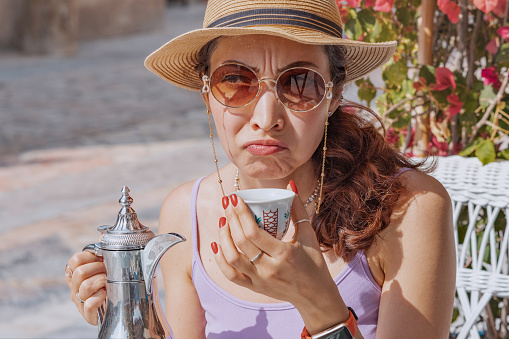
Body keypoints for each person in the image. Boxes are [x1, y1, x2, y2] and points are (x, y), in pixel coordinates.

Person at [65, 0, 456, 338]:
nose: (266, 118)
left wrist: (316, 301)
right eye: (235, 80)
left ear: (334, 96)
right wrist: (128, 310)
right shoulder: (186, 215)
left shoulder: (407, 211)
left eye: (299, 83)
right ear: (206, 93)